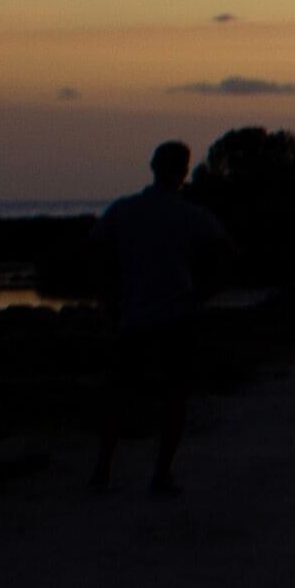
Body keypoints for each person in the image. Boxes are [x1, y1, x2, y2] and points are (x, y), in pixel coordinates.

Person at [88, 140, 234, 496]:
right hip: (177, 317)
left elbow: (94, 252)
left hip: (133, 316)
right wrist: (206, 292)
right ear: (183, 173)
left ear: (153, 167)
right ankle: (161, 474)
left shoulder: (123, 211)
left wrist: (109, 299)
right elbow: (229, 251)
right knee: (174, 397)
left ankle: (103, 471)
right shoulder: (189, 215)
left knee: (119, 396)